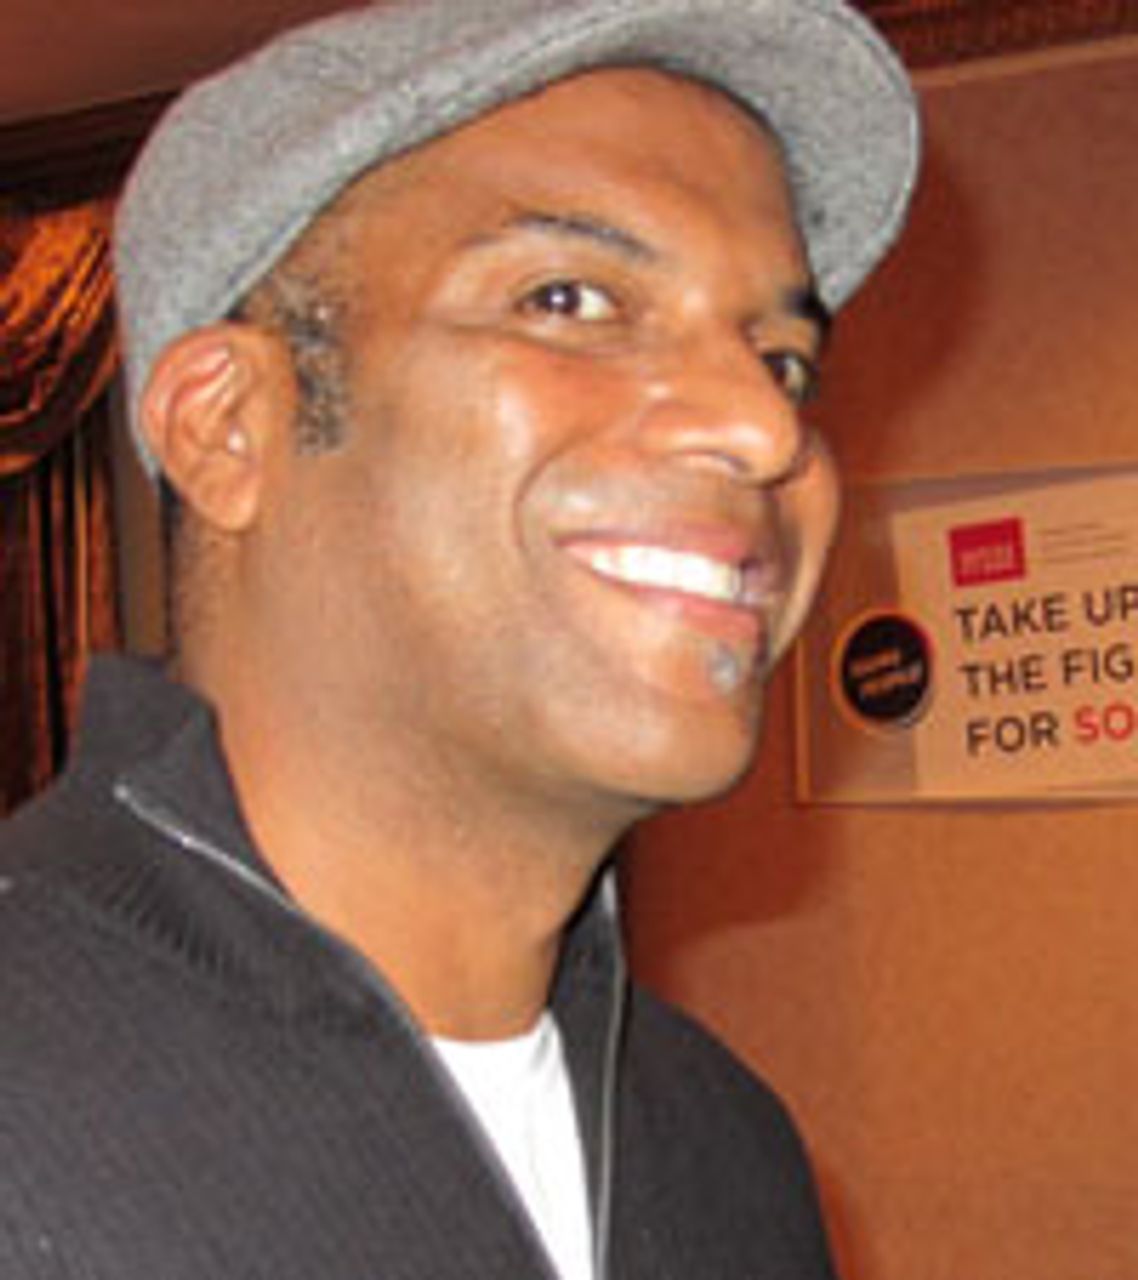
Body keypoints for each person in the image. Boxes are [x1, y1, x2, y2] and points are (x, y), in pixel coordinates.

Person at [0, 1, 918, 1276]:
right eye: (568, 299)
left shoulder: (726, 1144)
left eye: (782, 359)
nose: (765, 428)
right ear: (228, 427)